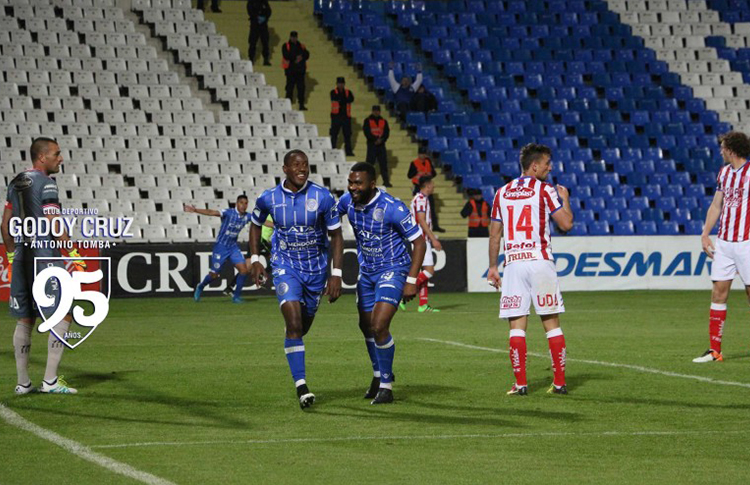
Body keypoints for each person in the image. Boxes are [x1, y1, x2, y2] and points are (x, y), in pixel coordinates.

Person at [249, 150, 343, 409]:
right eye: (297, 165)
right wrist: (256, 258)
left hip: (316, 271)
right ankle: (301, 386)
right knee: (293, 321)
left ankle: (293, 336)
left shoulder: (322, 197)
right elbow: (255, 224)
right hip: (284, 266)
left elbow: (336, 235)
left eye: (306, 165)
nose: (302, 169)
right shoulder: (268, 198)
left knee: (301, 328)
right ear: (285, 169)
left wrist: (336, 275)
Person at [487, 143, 574, 396]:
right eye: (547, 163)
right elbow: (566, 224)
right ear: (534, 166)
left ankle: (520, 384)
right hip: (540, 262)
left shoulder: (501, 193)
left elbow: (494, 235)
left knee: (516, 326)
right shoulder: (546, 190)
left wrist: (493, 266)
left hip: (513, 264)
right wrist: (565, 200)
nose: (551, 167)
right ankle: (559, 383)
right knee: (552, 324)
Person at [336, 162, 426, 404]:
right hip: (367, 273)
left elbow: (419, 242)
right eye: (351, 182)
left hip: (393, 270)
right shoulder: (347, 202)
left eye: (358, 183)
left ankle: (386, 386)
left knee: (378, 325)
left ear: (372, 184)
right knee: (365, 326)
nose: (353, 187)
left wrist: (411, 280)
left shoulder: (392, 207)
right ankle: (378, 375)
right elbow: (328, 217)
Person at [1, 137, 85, 395]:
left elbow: (5, 225)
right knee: (64, 314)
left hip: (23, 258)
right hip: (46, 258)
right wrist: (73, 253)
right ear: (42, 157)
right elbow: (54, 223)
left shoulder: (15, 183)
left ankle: (23, 382)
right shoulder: (48, 184)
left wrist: (13, 257)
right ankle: (49, 381)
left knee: (25, 317)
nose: (60, 158)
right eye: (57, 154)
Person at [694, 131, 750, 363]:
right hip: (724, 243)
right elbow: (716, 205)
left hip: (747, 242)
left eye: (723, 147)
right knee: (718, 292)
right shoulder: (724, 173)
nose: (720, 151)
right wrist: (706, 233)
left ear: (731, 149)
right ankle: (714, 351)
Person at [189, 195, 253, 304]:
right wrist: (195, 210)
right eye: (241, 202)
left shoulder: (247, 216)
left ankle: (236, 297)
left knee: (244, 270)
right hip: (221, 247)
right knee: (214, 274)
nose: (244, 205)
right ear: (237, 203)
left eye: (246, 203)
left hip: (233, 247)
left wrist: (277, 225)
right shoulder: (229, 213)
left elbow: (263, 221)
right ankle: (200, 286)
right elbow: (211, 212)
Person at [401, 176, 441, 313]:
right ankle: (403, 292)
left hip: (422, 240)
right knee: (429, 271)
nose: (434, 187)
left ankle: (423, 305)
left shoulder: (420, 199)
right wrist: (433, 239)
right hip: (421, 241)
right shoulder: (421, 200)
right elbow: (422, 221)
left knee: (425, 272)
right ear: (427, 185)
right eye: (432, 184)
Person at [225, 215, 273, 297]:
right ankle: (260, 277)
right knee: (274, 259)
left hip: (262, 241)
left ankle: (230, 287)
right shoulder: (269, 211)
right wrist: (274, 224)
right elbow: (261, 220)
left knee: (272, 261)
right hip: (259, 240)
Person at [406, 146, 443, 232]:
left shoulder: (428, 162)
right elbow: (409, 175)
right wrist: (417, 173)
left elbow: (433, 173)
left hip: (427, 187)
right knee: (418, 208)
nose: (422, 156)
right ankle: (416, 225)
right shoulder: (414, 163)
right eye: (421, 154)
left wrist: (428, 176)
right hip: (418, 187)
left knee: (431, 207)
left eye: (424, 154)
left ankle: (435, 226)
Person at [363, 105, 391, 187]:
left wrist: (381, 140)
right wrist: (375, 139)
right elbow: (367, 132)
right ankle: (367, 181)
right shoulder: (367, 120)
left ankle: (386, 181)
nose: (376, 112)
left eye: (377, 110)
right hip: (372, 144)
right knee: (369, 164)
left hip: (381, 145)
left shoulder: (383, 121)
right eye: (375, 110)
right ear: (372, 111)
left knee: (383, 164)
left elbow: (386, 132)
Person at [282, 31, 309, 111]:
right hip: (290, 71)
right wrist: (296, 57)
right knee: (289, 88)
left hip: (300, 71)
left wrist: (299, 57)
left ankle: (301, 104)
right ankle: (287, 104)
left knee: (301, 88)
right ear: (290, 37)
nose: (294, 39)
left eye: (295, 37)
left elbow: (307, 54)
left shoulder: (301, 45)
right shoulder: (286, 45)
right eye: (292, 37)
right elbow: (286, 55)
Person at [330, 76, 355, 157]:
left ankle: (348, 151)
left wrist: (342, 100)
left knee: (347, 135)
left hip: (346, 117)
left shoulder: (348, 92)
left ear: (344, 84)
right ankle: (332, 150)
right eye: (339, 83)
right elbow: (336, 98)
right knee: (334, 134)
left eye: (342, 83)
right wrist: (344, 100)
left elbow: (351, 99)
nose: (340, 85)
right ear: (337, 84)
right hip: (336, 116)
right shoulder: (333, 92)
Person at [247, 0, 271, 66]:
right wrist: (256, 17)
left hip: (263, 25)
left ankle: (266, 59)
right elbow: (250, 11)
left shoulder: (264, 2)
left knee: (265, 42)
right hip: (255, 25)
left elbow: (269, 11)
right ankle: (251, 58)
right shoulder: (251, 2)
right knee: (253, 42)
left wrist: (264, 18)